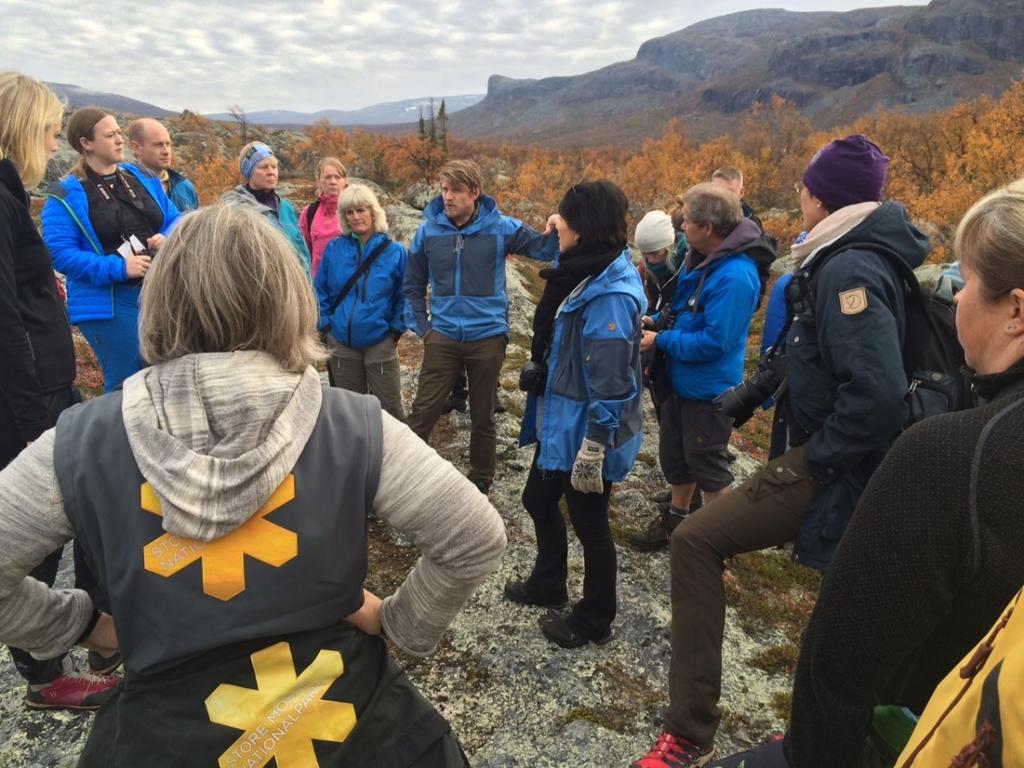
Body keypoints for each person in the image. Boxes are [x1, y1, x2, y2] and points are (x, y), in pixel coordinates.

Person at [0, 202, 506, 766]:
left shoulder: (83, 442)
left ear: (161, 302)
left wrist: (84, 624)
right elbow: (474, 536)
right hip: (352, 713)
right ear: (286, 298)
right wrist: (399, 626)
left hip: (163, 726)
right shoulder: (350, 424)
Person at [631, 135, 928, 768]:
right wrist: (750, 397)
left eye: (804, 185)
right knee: (850, 606)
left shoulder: (848, 266)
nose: (797, 194)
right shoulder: (840, 255)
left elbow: (873, 395)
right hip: (839, 458)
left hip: (835, 464)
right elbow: (803, 352)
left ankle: (688, 734)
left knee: (697, 541)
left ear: (822, 196)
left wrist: (812, 461)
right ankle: (843, 734)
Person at [709, 179, 1024, 768]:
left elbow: (836, 677)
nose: (954, 299)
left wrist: (821, 455)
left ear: (1016, 312)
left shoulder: (953, 456)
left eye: (970, 282)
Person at [0, 72, 121, 711]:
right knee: (35, 539)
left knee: (65, 523)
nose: (52, 146)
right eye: (49, 132)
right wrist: (28, 422)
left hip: (47, 387)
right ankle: (46, 675)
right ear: (20, 126)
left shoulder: (8, 193)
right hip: (30, 400)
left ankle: (90, 636)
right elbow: (4, 319)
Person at [504, 180, 645, 648]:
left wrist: (594, 447)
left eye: (562, 217)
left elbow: (612, 384)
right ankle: (549, 584)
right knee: (539, 501)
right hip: (561, 421)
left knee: (591, 525)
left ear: (582, 229)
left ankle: (595, 618)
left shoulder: (608, 296)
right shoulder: (584, 269)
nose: (555, 223)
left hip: (587, 433)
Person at [630, 184, 774, 553]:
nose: (682, 228)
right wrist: (658, 320)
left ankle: (716, 544)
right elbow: (686, 310)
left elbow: (715, 341)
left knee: (709, 468)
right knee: (678, 459)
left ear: (708, 227)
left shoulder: (735, 276)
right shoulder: (701, 258)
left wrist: (660, 341)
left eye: (688, 221)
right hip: (681, 384)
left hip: (708, 392)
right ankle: (677, 522)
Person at [403, 159, 559, 493]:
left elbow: (547, 248)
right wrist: (424, 329)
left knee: (483, 412)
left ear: (474, 193)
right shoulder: (428, 231)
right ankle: (401, 475)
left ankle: (481, 477)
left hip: (487, 337)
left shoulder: (501, 228)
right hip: (442, 335)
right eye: (444, 189)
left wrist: (559, 222)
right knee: (422, 412)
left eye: (456, 190)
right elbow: (412, 285)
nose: (448, 197)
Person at [41, 107, 180, 392]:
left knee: (162, 379)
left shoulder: (139, 177)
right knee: (127, 386)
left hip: (154, 292)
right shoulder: (66, 194)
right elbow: (60, 253)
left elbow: (175, 217)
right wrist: (118, 268)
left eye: (119, 133)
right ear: (86, 143)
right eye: (110, 135)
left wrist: (166, 237)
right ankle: (114, 436)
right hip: (108, 303)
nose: (119, 140)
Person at [315, 183, 407, 419]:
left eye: (361, 210)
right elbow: (319, 291)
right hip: (341, 343)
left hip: (380, 342)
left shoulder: (394, 252)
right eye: (349, 212)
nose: (355, 217)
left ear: (373, 212)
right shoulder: (334, 248)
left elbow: (405, 295)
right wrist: (326, 326)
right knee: (349, 412)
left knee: (391, 409)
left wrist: (394, 332)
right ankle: (356, 456)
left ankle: (394, 456)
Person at [222, 141, 311, 274]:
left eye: (274, 167)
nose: (271, 172)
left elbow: (303, 254)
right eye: (263, 167)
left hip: (294, 289)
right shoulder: (234, 211)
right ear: (249, 171)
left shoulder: (287, 208)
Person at [126, 118, 199, 213]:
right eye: (158, 145)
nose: (166, 151)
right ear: (137, 147)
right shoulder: (126, 188)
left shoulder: (185, 187)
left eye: (168, 144)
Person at [299, 156, 347, 277]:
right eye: (327, 177)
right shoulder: (309, 212)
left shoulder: (353, 211)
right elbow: (303, 252)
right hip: (318, 287)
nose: (333, 181)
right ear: (319, 181)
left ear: (344, 181)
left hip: (350, 286)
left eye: (337, 177)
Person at [711, 166, 763, 232]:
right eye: (717, 191)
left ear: (741, 192)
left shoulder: (753, 225)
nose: (722, 197)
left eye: (729, 193)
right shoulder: (700, 218)